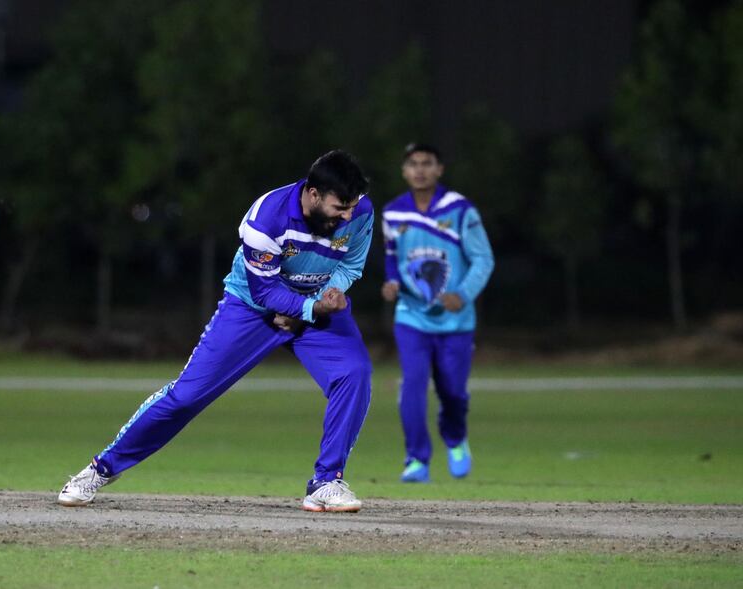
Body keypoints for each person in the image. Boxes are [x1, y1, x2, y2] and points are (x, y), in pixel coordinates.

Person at [59, 150, 373, 512]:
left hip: (314, 307)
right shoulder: (266, 218)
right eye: (340, 208)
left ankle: (326, 481)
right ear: (313, 194)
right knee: (187, 396)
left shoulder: (360, 210)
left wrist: (316, 304)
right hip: (252, 309)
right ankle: (101, 468)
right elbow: (265, 292)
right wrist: (309, 309)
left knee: (354, 373)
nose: (347, 215)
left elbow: (351, 264)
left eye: (352, 206)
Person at [381, 143, 494, 483]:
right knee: (413, 385)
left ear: (439, 169)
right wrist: (391, 283)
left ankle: (456, 439)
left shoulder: (460, 210)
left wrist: (463, 294)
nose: (420, 170)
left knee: (453, 392)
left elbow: (484, 258)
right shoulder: (392, 214)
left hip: (456, 321)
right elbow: (391, 258)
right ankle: (417, 459)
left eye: (427, 163)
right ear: (404, 171)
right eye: (413, 164)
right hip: (412, 317)